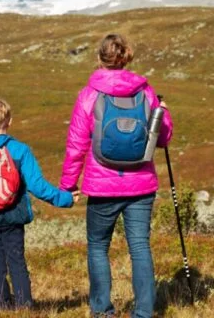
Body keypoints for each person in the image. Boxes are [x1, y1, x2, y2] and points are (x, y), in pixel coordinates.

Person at [60, 34, 173, 318]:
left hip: (101, 186)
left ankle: (102, 311)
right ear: (127, 57)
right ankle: (144, 312)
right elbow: (163, 137)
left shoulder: (88, 94)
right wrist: (164, 115)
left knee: (98, 246)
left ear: (100, 58)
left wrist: (67, 186)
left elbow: (76, 145)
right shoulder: (145, 91)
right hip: (141, 184)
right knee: (139, 246)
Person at [0, 97, 79, 309]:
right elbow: (37, 186)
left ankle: (2, 306)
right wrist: (66, 198)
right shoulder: (20, 150)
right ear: (10, 121)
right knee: (17, 262)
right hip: (14, 215)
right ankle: (24, 306)